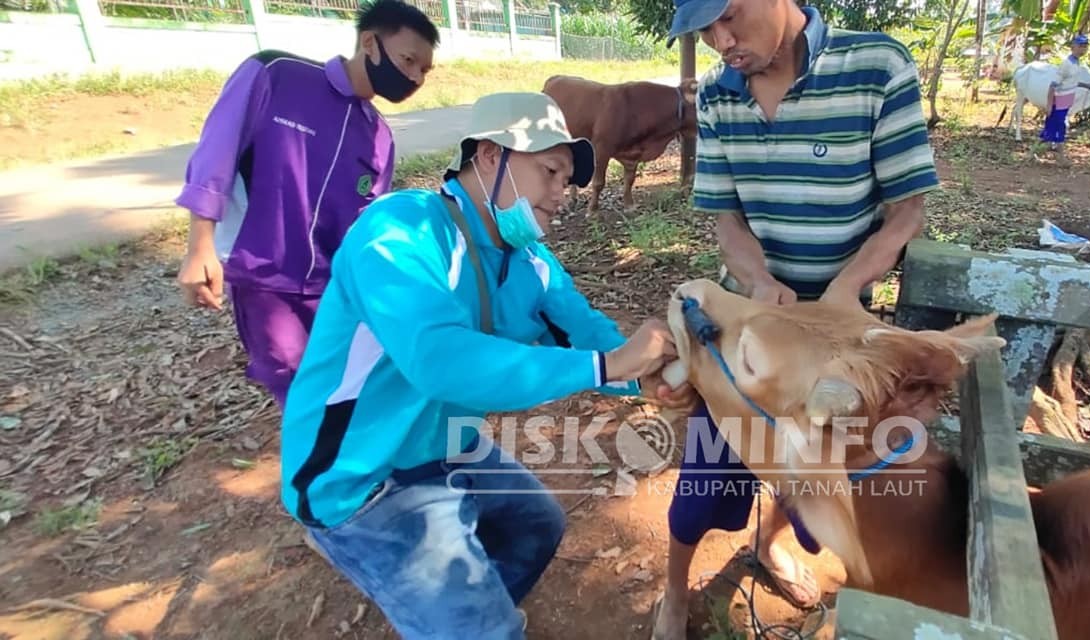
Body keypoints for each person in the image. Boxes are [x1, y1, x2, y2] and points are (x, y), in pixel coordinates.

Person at [278, 91, 681, 640]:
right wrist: (609, 364)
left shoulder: (530, 262)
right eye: (550, 171)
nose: (562, 193)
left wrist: (649, 376)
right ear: (490, 156)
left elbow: (587, 333)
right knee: (485, 627)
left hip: (446, 443)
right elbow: (439, 361)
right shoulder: (399, 233)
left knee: (537, 528)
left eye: (567, 180)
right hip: (361, 474)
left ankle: (466, 616)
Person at [649, 0, 941, 637]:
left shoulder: (876, 66)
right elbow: (727, 217)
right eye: (705, 30)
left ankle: (769, 543)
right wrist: (756, 280)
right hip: (748, 329)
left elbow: (906, 212)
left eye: (729, 18)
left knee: (818, 482)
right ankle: (675, 592)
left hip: (839, 340)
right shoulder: (721, 97)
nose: (721, 41)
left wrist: (845, 289)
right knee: (704, 480)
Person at [173, 0, 441, 407]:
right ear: (369, 42)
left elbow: (367, 226)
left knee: (349, 391)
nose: (415, 76)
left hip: (333, 291)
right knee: (298, 391)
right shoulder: (276, 75)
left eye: (424, 70)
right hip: (265, 280)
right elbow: (216, 155)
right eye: (409, 60)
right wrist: (200, 247)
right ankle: (316, 467)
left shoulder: (379, 136)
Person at [1041, 34, 1090, 162]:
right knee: (1058, 127)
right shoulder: (1067, 64)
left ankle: (1041, 152)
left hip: (1066, 101)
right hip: (1059, 101)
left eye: (1085, 46)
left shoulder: (1076, 63)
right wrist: (1049, 105)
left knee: (1054, 127)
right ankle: (1061, 157)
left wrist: (1086, 85)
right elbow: (1053, 85)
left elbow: (1071, 81)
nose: (1083, 49)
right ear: (1073, 47)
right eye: (1080, 46)